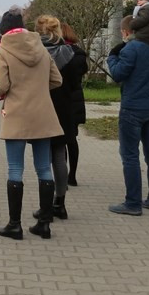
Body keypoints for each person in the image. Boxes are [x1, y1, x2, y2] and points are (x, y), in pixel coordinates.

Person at [0, 6, 63, 240]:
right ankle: (44, 224)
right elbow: (57, 80)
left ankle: (15, 226)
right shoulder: (41, 48)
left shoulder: (3, 51)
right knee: (44, 168)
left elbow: (1, 87)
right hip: (43, 115)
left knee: (15, 168)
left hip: (16, 115)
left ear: (4, 30)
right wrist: (38, 90)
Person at [107, 13, 149, 216]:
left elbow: (118, 74)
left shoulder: (132, 48)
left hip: (132, 108)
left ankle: (132, 203)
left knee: (130, 156)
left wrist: (112, 57)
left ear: (126, 32)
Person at [33, 15, 88, 222]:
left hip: (41, 107)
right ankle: (60, 203)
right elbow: (75, 84)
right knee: (58, 155)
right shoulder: (70, 53)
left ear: (39, 31)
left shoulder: (36, 52)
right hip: (64, 108)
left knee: (43, 159)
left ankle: (45, 208)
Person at [61, 22, 88, 186]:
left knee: (60, 142)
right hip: (76, 99)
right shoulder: (79, 54)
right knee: (72, 139)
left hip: (62, 99)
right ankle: (72, 176)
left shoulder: (60, 53)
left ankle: (62, 175)